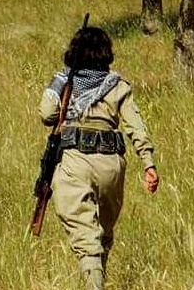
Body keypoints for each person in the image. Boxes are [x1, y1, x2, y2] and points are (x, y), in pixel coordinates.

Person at [39, 26, 160, 290]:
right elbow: (135, 127)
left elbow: (47, 114)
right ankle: (98, 277)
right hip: (111, 165)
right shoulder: (118, 85)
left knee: (85, 236)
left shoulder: (66, 82)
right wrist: (148, 163)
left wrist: (58, 82)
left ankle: (95, 284)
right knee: (103, 234)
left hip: (74, 161)